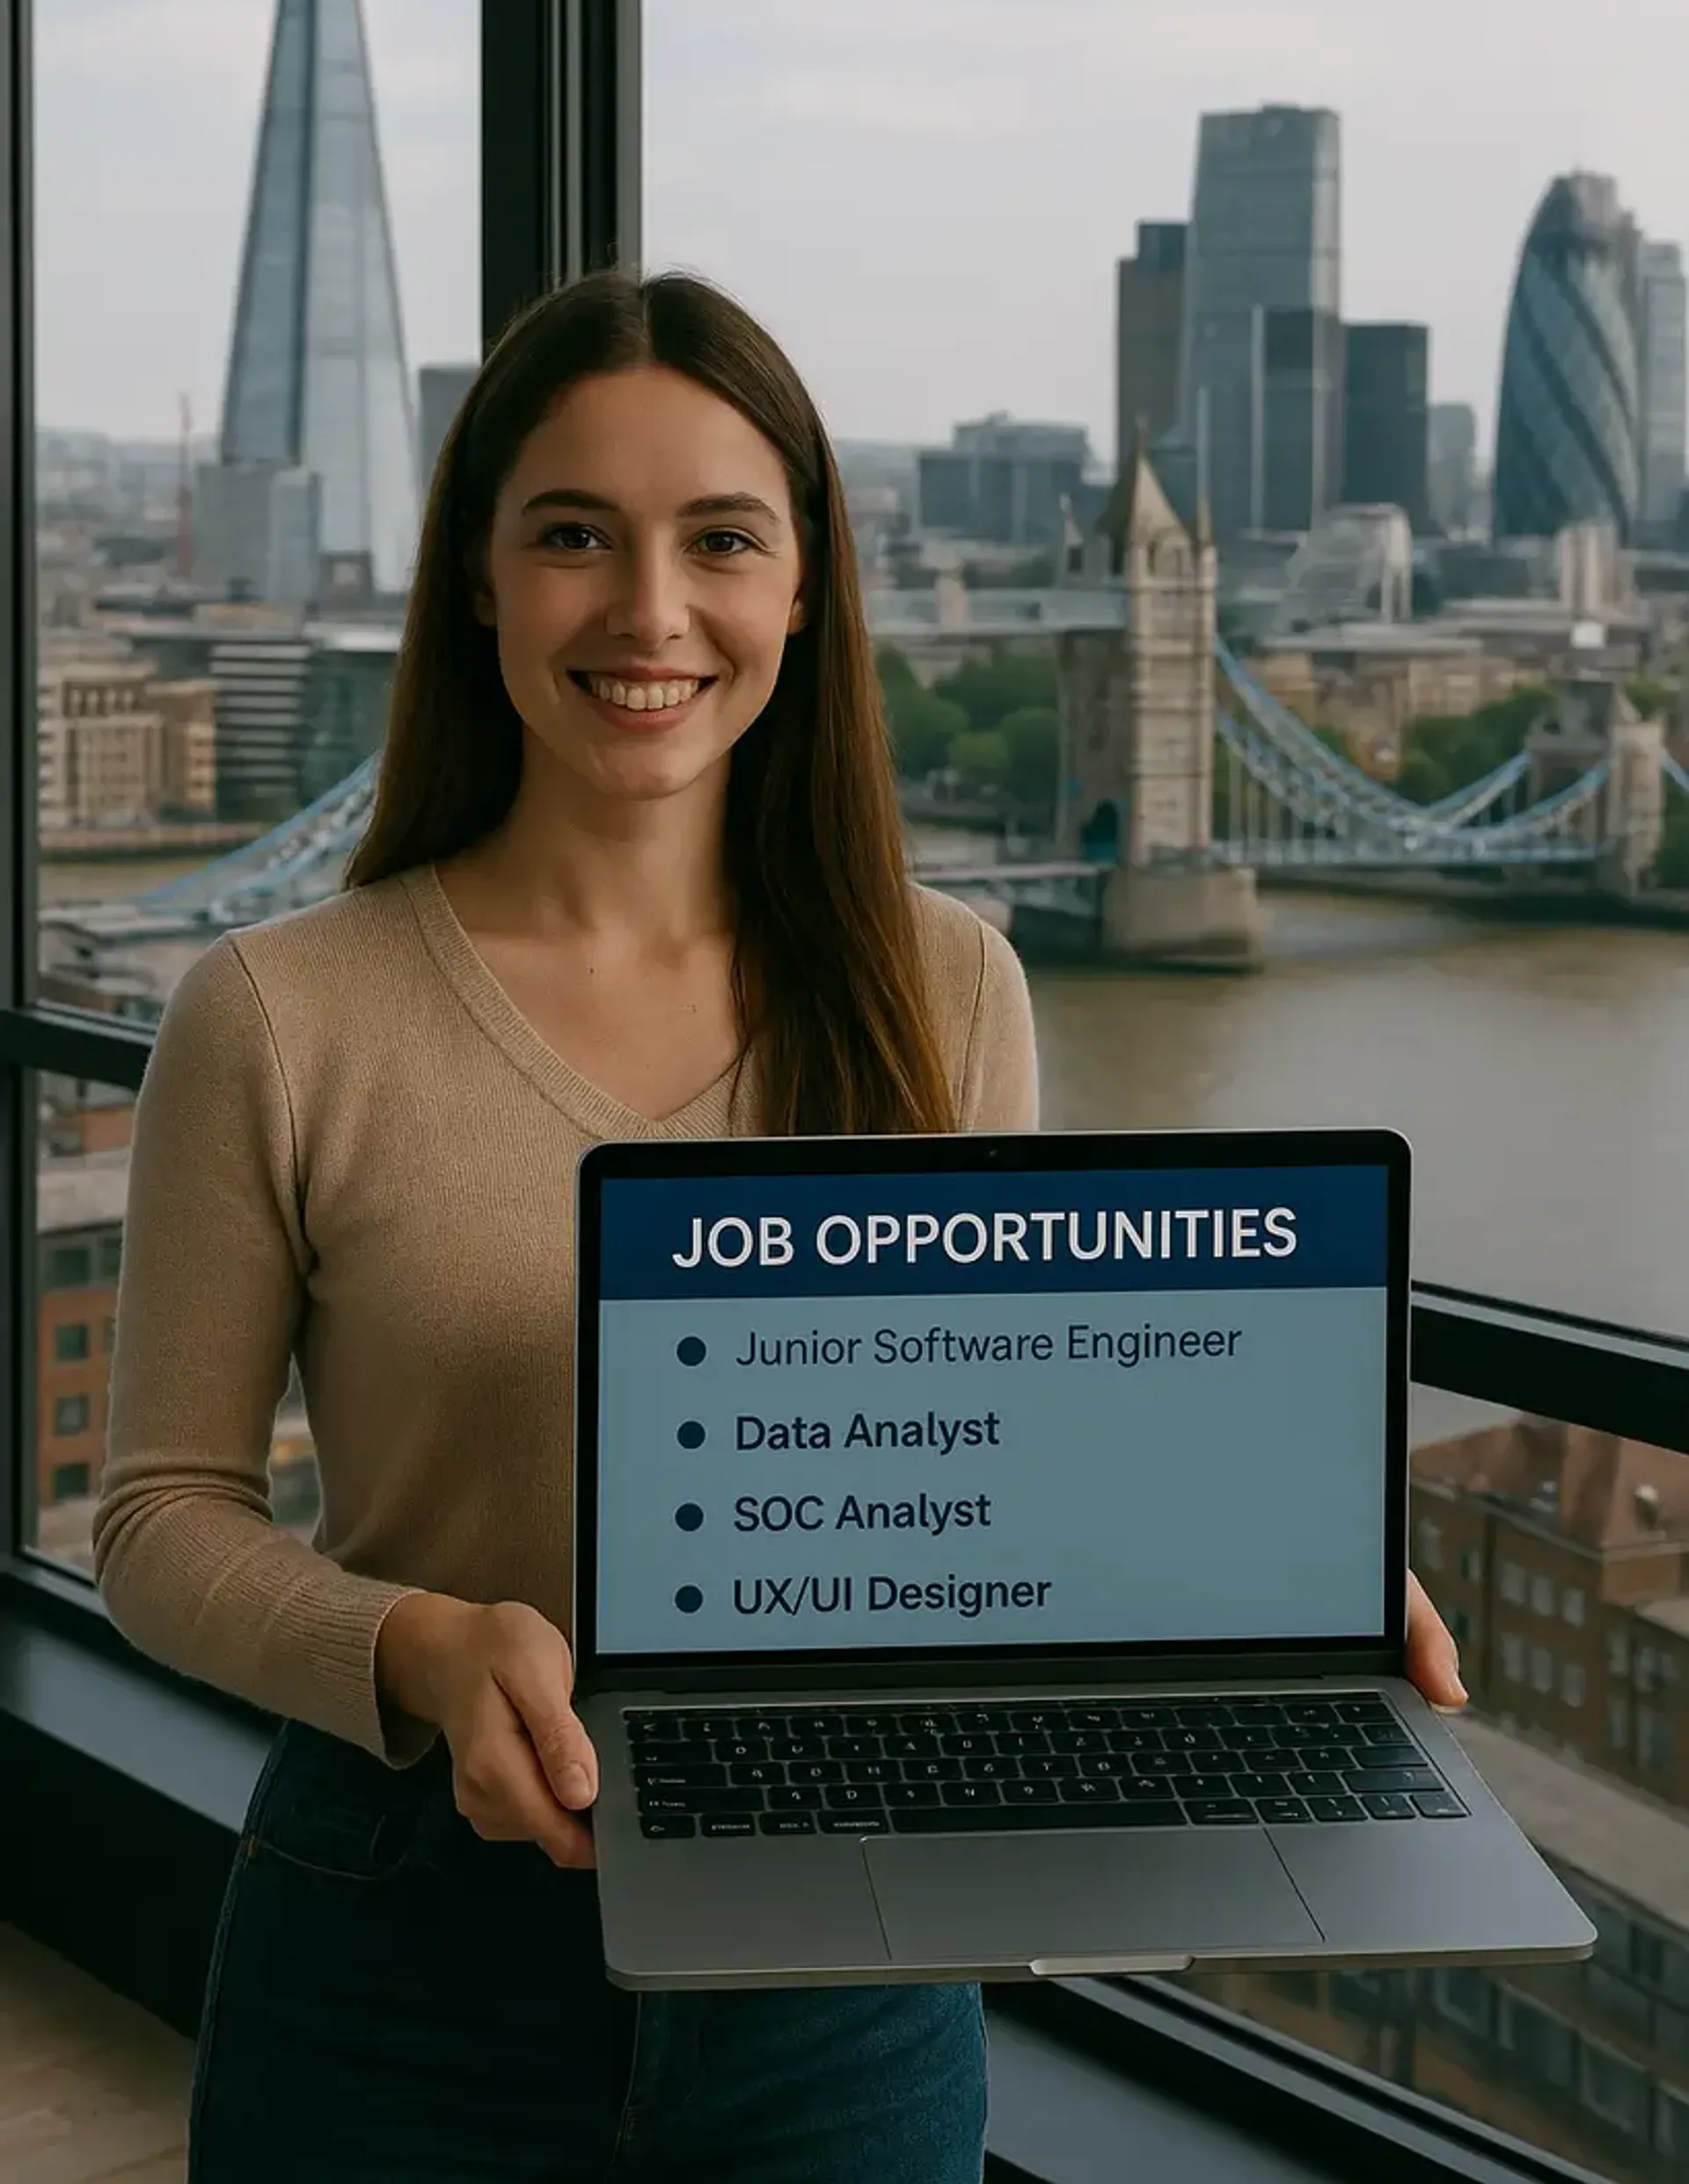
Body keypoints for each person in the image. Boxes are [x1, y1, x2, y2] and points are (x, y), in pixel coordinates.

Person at [93, 270, 1466, 2184]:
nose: (649, 614)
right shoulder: (276, 1014)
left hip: (852, 1964)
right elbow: (158, 1520)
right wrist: (411, 1642)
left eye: (721, 542)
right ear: (477, 578)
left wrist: (1252, 1600)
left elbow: (1007, 1464)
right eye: (573, 536)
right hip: (403, 1927)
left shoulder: (950, 987)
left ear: (806, 586)